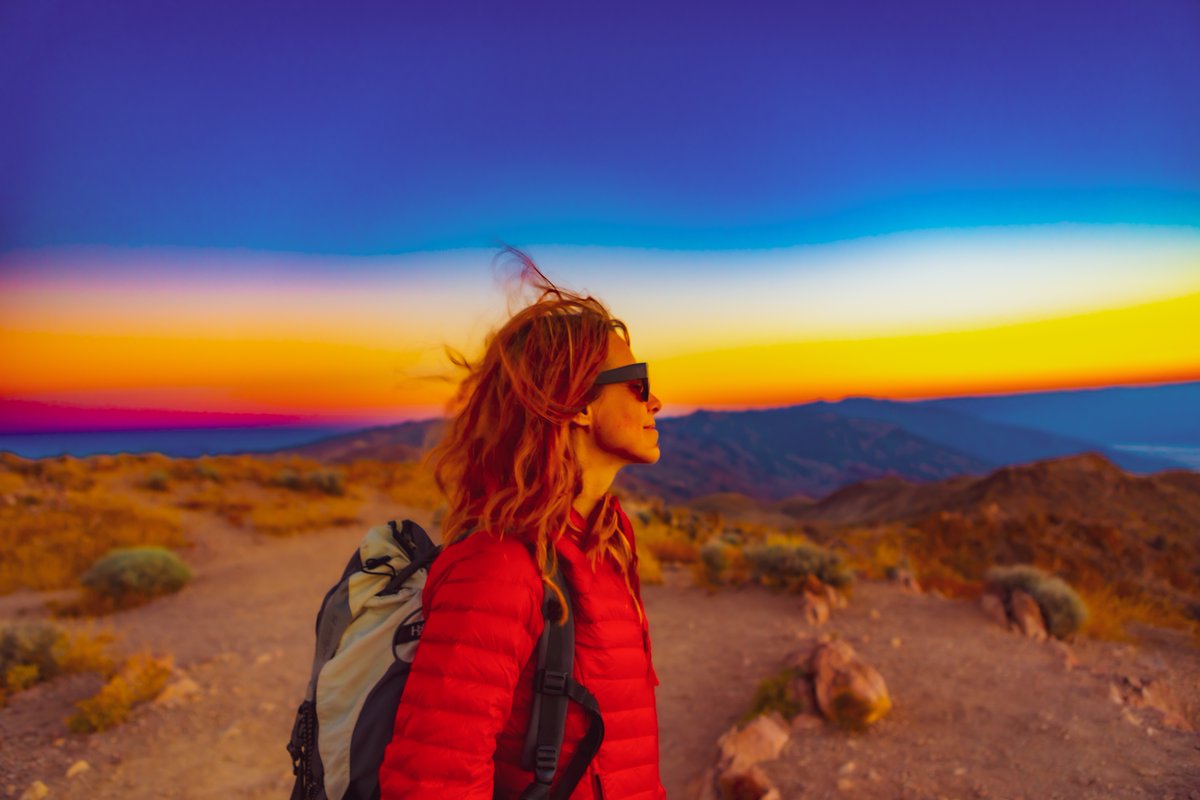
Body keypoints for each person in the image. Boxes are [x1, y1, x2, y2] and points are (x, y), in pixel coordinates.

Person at [378, 251, 666, 799]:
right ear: (577, 403)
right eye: (635, 383)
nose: (656, 400)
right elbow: (429, 781)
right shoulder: (499, 566)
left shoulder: (600, 543)